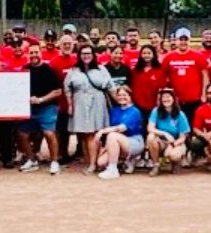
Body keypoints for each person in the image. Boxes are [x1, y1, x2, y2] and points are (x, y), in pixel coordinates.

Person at [63, 46, 114, 175]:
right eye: (83, 53)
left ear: (93, 55)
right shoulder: (73, 71)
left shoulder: (101, 69)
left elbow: (111, 87)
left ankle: (93, 164)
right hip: (80, 103)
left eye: (89, 53)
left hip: (97, 102)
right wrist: (70, 105)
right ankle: (92, 161)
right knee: (84, 135)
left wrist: (120, 100)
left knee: (93, 134)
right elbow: (67, 89)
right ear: (79, 55)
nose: (86, 56)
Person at [19, 42, 64, 174]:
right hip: (28, 107)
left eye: (36, 52)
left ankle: (54, 162)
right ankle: (31, 160)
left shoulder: (50, 70)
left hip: (47, 107)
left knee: (49, 133)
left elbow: (57, 91)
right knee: (22, 134)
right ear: (28, 54)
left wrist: (41, 100)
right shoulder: (24, 70)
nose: (34, 55)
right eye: (31, 52)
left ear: (41, 53)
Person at [90, 84, 145, 180]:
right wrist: (105, 148)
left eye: (125, 95)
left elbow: (120, 128)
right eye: (119, 95)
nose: (122, 97)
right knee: (101, 162)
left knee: (112, 135)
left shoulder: (135, 111)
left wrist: (102, 131)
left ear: (130, 97)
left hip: (134, 141)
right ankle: (125, 161)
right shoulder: (114, 110)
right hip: (116, 141)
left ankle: (113, 169)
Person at [162, 27, 210, 119]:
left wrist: (204, 94)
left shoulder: (198, 56)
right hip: (176, 100)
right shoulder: (168, 57)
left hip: (195, 99)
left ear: (190, 40)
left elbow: (205, 76)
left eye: (186, 39)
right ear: (176, 40)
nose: (183, 42)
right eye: (181, 39)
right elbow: (163, 77)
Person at [145, 88, 190, 175]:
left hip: (176, 142)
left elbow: (182, 138)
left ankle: (176, 162)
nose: (166, 99)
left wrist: (172, 144)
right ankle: (156, 165)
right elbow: (150, 128)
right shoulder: (156, 111)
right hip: (162, 141)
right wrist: (165, 134)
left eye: (168, 97)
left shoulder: (180, 115)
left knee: (173, 155)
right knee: (150, 137)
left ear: (174, 99)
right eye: (163, 97)